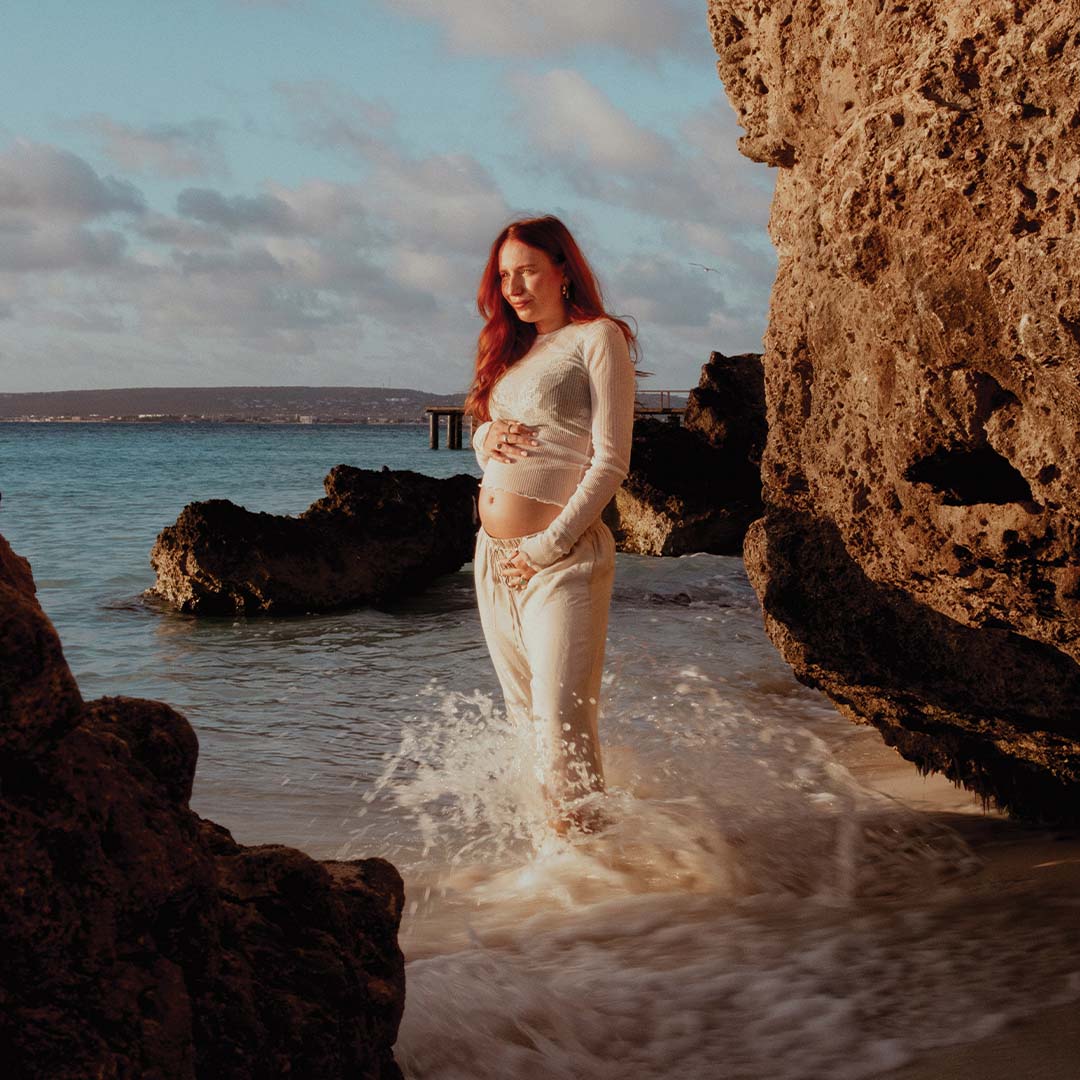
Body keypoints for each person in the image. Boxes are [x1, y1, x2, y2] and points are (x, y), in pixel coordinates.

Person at [465, 214, 637, 834]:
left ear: (563, 270)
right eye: (504, 276)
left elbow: (611, 461)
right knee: (528, 728)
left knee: (562, 726)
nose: (514, 287)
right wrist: (484, 435)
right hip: (494, 561)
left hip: (560, 556)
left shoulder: (597, 338)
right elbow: (494, 445)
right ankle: (555, 866)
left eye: (528, 271)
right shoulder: (511, 350)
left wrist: (547, 546)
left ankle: (594, 864)